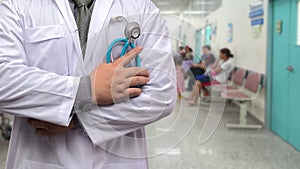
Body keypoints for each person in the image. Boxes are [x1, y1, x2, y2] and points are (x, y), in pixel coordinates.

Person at [0, 0, 177, 169]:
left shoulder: (142, 7)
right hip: (40, 158)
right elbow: (4, 80)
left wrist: (78, 119)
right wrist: (87, 90)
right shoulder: (16, 5)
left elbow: (161, 95)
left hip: (118, 158)